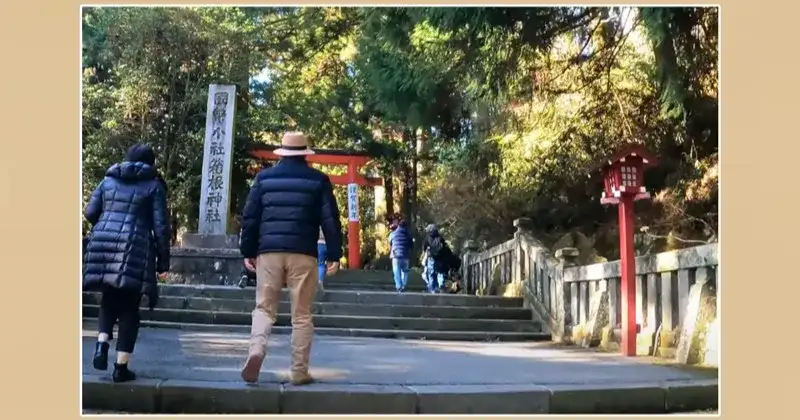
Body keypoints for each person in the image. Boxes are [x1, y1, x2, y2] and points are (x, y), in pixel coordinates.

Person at [239, 131, 343, 386]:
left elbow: (250, 218)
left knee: (264, 308)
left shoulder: (264, 179)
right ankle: (298, 371)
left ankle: (256, 350)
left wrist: (248, 251)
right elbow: (330, 220)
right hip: (303, 254)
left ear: (282, 152)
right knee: (302, 314)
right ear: (305, 153)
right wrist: (334, 254)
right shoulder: (318, 180)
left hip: (269, 253)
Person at [83, 143, 171, 383]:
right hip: (135, 246)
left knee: (109, 298)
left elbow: (90, 212)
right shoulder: (154, 186)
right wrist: (163, 262)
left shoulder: (108, 181)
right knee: (129, 307)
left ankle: (101, 345)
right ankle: (120, 368)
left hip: (103, 242)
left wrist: (107, 223)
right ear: (151, 163)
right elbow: (161, 227)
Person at [422, 224, 449, 293]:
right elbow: (445, 247)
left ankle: (432, 288)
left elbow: (424, 247)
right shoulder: (440, 237)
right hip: (440, 258)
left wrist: (426, 252)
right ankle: (441, 285)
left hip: (431, 257)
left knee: (431, 273)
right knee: (440, 272)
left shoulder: (428, 237)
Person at [388, 218, 413, 293]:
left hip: (395, 255)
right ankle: (404, 285)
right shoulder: (408, 235)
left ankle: (399, 286)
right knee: (405, 271)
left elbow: (390, 242)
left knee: (396, 271)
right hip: (405, 255)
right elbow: (411, 245)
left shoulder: (393, 234)